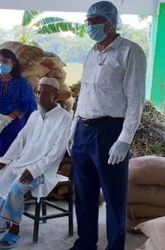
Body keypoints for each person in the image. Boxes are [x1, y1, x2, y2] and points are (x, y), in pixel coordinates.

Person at [68, 2, 147, 250]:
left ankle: (115, 246)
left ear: (110, 22)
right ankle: (86, 243)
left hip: (110, 131)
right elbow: (85, 95)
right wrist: (73, 130)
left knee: (113, 196)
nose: (89, 26)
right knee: (84, 193)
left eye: (94, 21)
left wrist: (124, 139)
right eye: (88, 21)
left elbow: (135, 99)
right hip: (84, 130)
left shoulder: (130, 51)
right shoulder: (92, 52)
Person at [0, 78, 72, 249]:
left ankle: (14, 231)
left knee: (16, 189)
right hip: (20, 163)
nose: (39, 96)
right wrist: (3, 161)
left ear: (56, 96)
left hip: (43, 171)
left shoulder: (64, 118)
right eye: (38, 92)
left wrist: (34, 170)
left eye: (44, 93)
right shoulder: (34, 115)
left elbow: (57, 152)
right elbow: (20, 141)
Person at [0, 49, 37, 162]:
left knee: (17, 136)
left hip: (15, 120)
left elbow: (27, 102)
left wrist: (9, 118)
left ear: (13, 64)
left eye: (5, 62)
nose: (1, 65)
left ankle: (13, 168)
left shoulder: (22, 83)